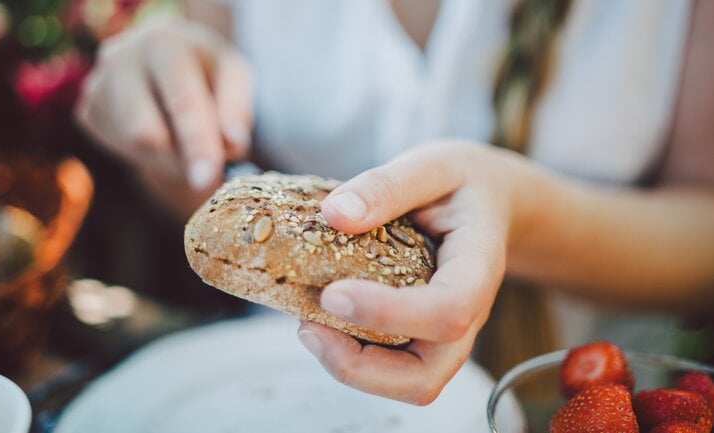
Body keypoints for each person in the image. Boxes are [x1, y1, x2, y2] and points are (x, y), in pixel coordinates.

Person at [75, 0, 714, 405]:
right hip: (275, 389)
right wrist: (161, 124)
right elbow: (218, 212)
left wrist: (517, 213)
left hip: (576, 401)